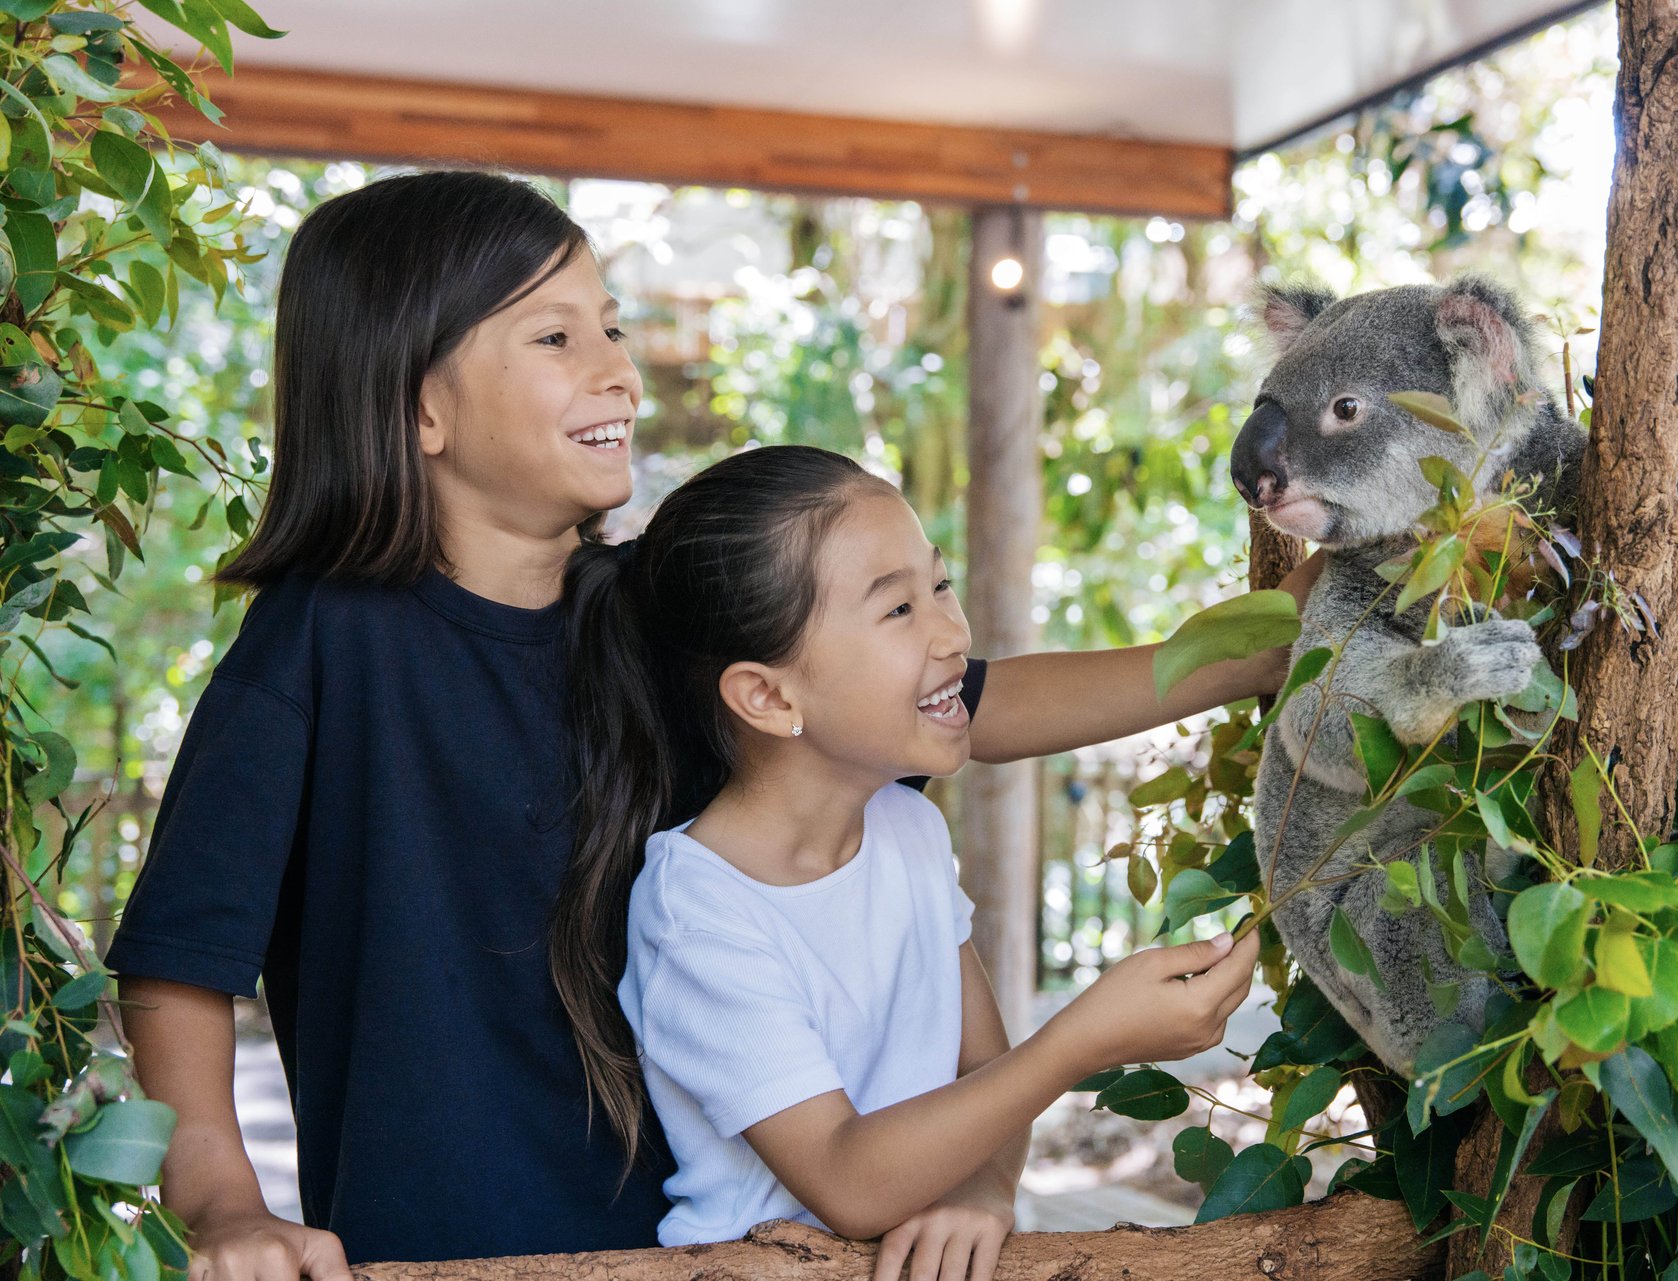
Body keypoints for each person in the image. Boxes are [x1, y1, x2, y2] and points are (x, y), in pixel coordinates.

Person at [106, 168, 1317, 1275]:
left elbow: (960, 702)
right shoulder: (318, 642)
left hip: (705, 1244)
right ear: (421, 409)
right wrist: (224, 1200)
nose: (619, 371)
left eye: (613, 329)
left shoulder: (636, 616)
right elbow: (179, 962)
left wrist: (1238, 660)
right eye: (555, 335)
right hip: (432, 1252)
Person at [557, 445, 1263, 1281]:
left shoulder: (906, 829)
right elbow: (848, 1177)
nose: (952, 634)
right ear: (769, 697)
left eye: (939, 585)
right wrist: (1079, 1043)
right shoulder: (696, 908)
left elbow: (981, 1072)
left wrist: (984, 1190)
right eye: (897, 610)